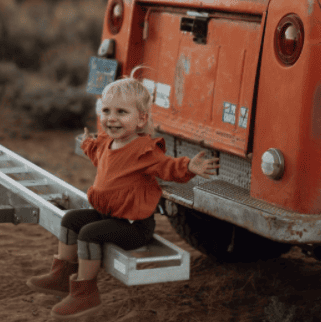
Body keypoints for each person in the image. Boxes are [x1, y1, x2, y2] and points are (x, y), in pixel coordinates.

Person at [26, 66, 220, 320]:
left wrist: (189, 167)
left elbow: (166, 167)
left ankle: (85, 293)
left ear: (140, 119)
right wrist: (87, 143)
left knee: (88, 233)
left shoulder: (143, 150)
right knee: (71, 220)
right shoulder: (108, 142)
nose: (111, 118)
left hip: (134, 226)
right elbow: (97, 154)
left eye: (121, 112)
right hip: (110, 215)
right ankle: (62, 275)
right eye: (106, 111)